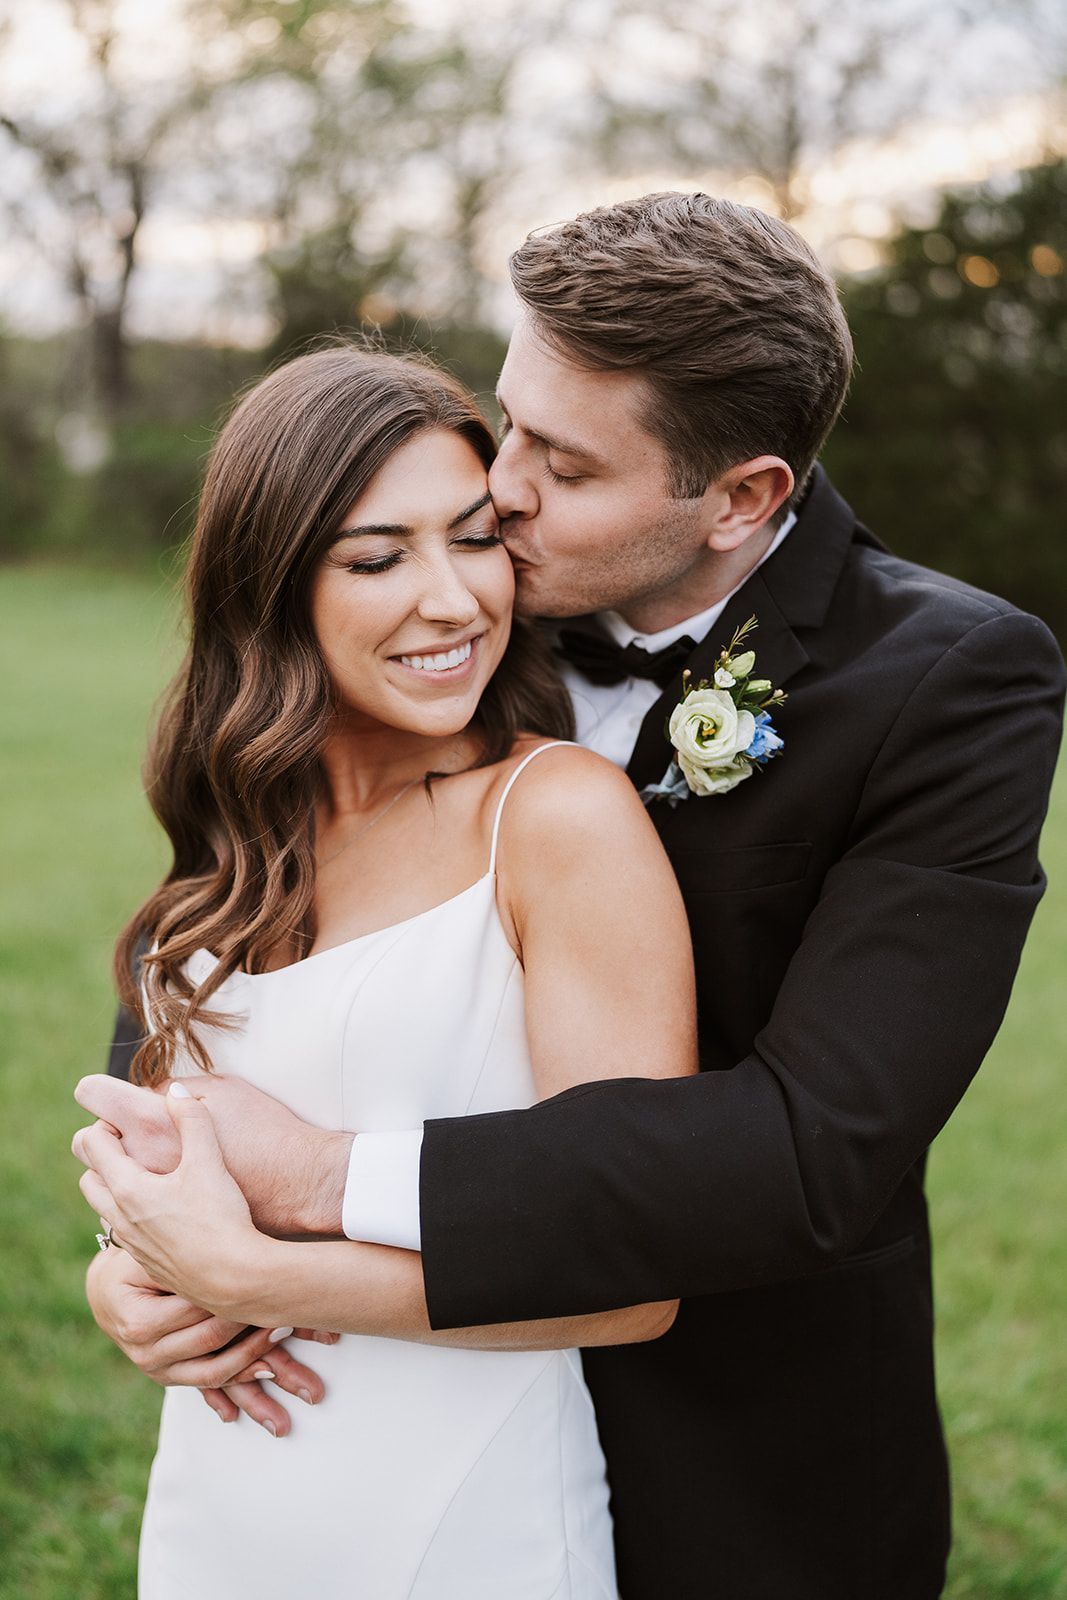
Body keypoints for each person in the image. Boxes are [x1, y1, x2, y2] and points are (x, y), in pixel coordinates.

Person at [75, 193, 1066, 1600]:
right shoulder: (458, 598)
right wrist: (141, 1238)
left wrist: (313, 1189)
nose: (503, 489)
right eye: (510, 419)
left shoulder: (946, 684)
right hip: (362, 1425)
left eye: (565, 461)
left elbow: (812, 1151)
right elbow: (235, 922)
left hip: (737, 1452)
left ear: (740, 498)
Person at [73, 342, 700, 1598]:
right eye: (376, 558)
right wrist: (118, 1285)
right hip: (218, 1507)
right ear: (270, 586)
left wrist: (254, 1275)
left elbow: (636, 1281)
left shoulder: (550, 816)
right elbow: (149, 1174)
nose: (454, 600)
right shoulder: (226, 856)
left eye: (474, 540)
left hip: (465, 1521)